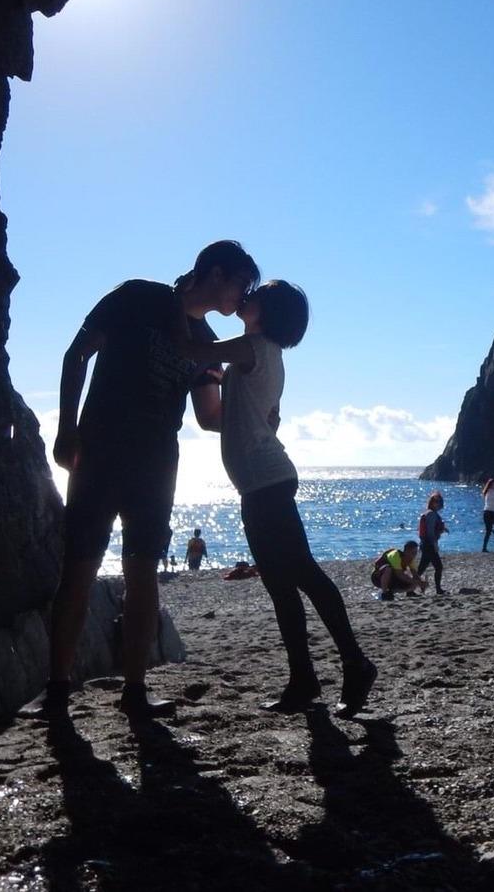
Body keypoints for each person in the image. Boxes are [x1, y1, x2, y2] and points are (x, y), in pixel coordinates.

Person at [20, 240, 259, 721]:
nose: (245, 295)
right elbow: (76, 355)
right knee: (79, 568)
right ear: (215, 274)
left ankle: (135, 692)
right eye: (242, 283)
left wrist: (255, 405)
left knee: (143, 572)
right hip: (99, 450)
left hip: (156, 464)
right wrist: (67, 429)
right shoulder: (135, 296)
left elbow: (209, 417)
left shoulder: (207, 340)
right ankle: (57, 689)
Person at [199, 280, 377, 716]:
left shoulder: (252, 346)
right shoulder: (264, 353)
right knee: (282, 584)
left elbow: (195, 351)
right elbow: (229, 417)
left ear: (267, 311)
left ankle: (355, 663)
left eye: (255, 294)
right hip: (260, 482)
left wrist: (191, 307)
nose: (246, 296)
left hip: (266, 481)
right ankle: (304, 678)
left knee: (301, 573)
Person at [417, 491, 449, 595]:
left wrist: (443, 529)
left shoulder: (428, 513)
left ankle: (410, 589)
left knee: (421, 568)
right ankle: (438, 589)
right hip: (428, 544)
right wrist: (434, 544)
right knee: (438, 567)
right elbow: (430, 532)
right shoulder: (431, 514)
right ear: (434, 503)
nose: (440, 505)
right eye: (439, 503)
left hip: (425, 544)